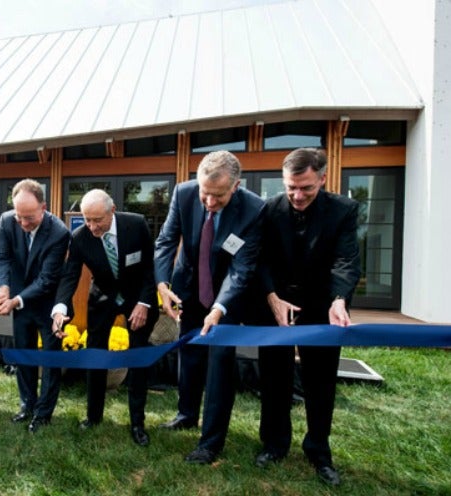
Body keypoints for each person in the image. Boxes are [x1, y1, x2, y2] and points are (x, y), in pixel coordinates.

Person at [252, 148, 361, 486]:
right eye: (290, 188)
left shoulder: (344, 210)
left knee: (321, 381)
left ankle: (318, 450)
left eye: (306, 188)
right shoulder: (269, 209)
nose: (297, 196)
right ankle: (274, 443)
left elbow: (346, 260)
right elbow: (260, 259)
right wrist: (271, 296)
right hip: (274, 305)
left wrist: (339, 299)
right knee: (273, 378)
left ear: (323, 179)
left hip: (322, 307)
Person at [154, 150, 263, 461]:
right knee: (188, 353)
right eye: (205, 193)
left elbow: (241, 268)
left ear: (236, 186)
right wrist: (163, 285)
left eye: (218, 196)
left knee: (219, 366)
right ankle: (186, 414)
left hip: (225, 298)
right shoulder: (184, 193)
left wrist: (219, 308)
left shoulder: (253, 210)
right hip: (189, 288)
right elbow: (165, 241)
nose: (210, 202)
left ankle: (210, 442)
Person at [51, 189, 159, 447]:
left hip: (138, 298)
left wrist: (145, 302)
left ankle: (137, 424)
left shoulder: (136, 225)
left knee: (137, 358)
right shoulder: (80, 238)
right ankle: (93, 416)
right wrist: (60, 309)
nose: (91, 226)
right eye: (87, 220)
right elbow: (70, 276)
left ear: (112, 211)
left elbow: (149, 267)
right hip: (102, 298)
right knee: (95, 355)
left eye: (97, 220)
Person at [0, 179, 70, 434]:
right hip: (19, 302)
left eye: (29, 218)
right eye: (19, 217)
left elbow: (47, 280)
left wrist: (16, 300)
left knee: (49, 360)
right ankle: (27, 404)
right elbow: (1, 258)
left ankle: (43, 413)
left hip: (48, 304)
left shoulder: (59, 232)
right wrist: (3, 288)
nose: (23, 224)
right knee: (24, 354)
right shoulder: (6, 221)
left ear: (43, 207)